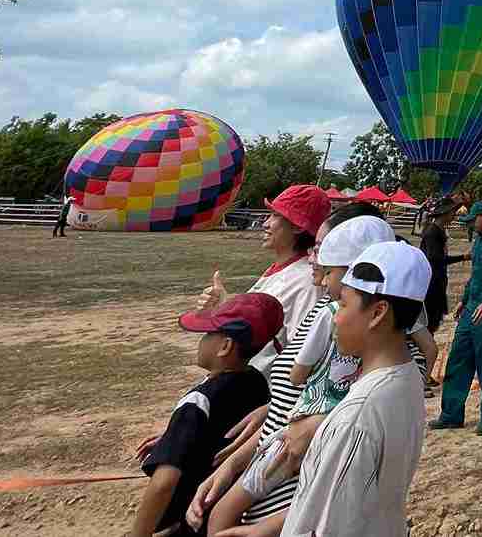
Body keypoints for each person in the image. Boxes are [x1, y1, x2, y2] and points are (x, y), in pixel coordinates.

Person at [187, 202, 386, 534]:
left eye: (321, 249)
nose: (313, 256)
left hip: (298, 484)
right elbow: (298, 396)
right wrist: (262, 421)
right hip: (273, 458)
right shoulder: (325, 307)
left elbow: (347, 414)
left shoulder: (349, 323)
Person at [278, 240, 430, 537]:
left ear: (377, 313)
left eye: (344, 304)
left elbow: (326, 525)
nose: (336, 316)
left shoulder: (356, 418)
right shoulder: (407, 375)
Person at [132, 294, 280, 537]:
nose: (202, 340)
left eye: (208, 334)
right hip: (229, 513)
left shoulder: (198, 401)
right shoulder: (257, 383)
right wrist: (173, 435)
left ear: (225, 346)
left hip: (191, 520)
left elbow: (163, 484)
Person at [197, 184, 331, 373]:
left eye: (275, 215)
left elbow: (302, 351)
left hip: (260, 391)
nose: (265, 223)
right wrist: (225, 306)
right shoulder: (282, 270)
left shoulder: (306, 282)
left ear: (297, 226)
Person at [434, 200, 482, 435]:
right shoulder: (478, 241)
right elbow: (475, 274)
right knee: (458, 359)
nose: (470, 224)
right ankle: (451, 415)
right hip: (470, 310)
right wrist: (464, 300)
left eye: (473, 220)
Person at [419, 197, 466, 336]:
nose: (454, 215)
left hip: (437, 281)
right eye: (452, 212)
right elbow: (436, 259)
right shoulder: (433, 232)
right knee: (429, 323)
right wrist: (463, 257)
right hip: (431, 284)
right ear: (445, 213)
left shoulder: (438, 230)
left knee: (433, 322)